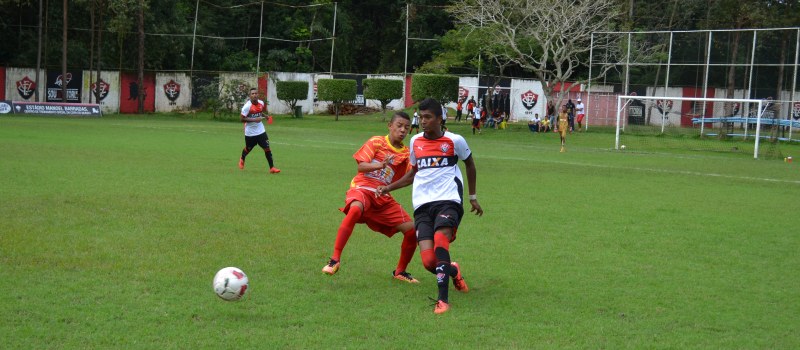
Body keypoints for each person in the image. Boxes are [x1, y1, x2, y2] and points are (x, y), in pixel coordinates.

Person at [377, 98, 484, 315]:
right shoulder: (415, 141)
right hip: (422, 205)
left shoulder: (455, 141)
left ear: (439, 118)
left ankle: (442, 301)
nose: (422, 121)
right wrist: (388, 188)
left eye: (427, 117)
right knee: (428, 262)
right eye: (421, 117)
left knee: (441, 242)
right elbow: (413, 174)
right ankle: (453, 270)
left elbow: (470, 164)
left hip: (448, 200)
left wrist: (472, 196)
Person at [322, 111, 420, 283]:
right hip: (362, 187)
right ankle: (334, 260)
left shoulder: (406, 153)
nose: (403, 130)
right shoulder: (377, 141)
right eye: (399, 126)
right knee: (355, 210)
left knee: (412, 230)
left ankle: (400, 271)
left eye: (406, 127)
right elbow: (361, 167)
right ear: (390, 126)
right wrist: (381, 164)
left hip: (383, 196)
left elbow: (409, 177)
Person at [238, 88, 280, 173]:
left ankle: (272, 168)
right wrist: (254, 119)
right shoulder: (247, 107)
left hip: (261, 131)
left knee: (267, 148)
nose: (254, 95)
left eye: (256, 93)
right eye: (252, 93)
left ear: (258, 95)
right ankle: (242, 158)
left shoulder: (261, 103)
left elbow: (260, 111)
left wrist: (266, 116)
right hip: (250, 133)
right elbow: (242, 119)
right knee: (248, 148)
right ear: (250, 96)